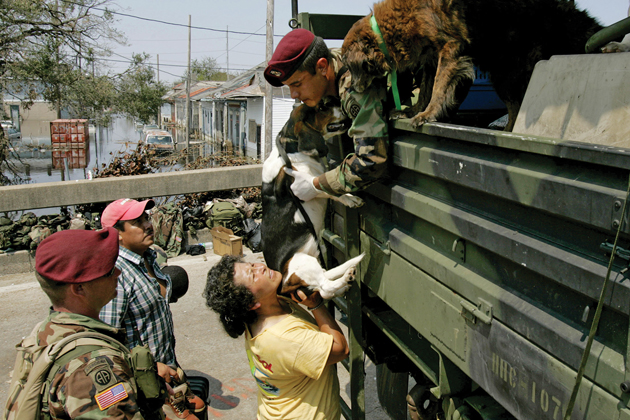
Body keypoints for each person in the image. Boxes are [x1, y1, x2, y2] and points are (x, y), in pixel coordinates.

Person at [5, 228, 164, 419]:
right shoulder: (92, 365)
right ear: (79, 289)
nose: (118, 273)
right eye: (109, 270)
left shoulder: (45, 331)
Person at [204, 255, 349, 420]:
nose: (260, 267)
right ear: (251, 304)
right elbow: (341, 349)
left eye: (252, 264)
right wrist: (316, 305)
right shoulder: (284, 339)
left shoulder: (265, 309)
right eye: (253, 275)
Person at [99, 198, 204, 420]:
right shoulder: (116, 276)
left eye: (146, 217)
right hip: (145, 381)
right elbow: (105, 342)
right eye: (137, 222)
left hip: (169, 370)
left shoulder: (148, 257)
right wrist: (153, 368)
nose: (148, 224)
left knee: (200, 406)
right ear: (117, 233)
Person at [264, 28, 390, 202]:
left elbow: (371, 160)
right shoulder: (324, 72)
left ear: (322, 67)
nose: (293, 94)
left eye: (297, 84)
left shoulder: (356, 85)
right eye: (288, 87)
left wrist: (315, 185)